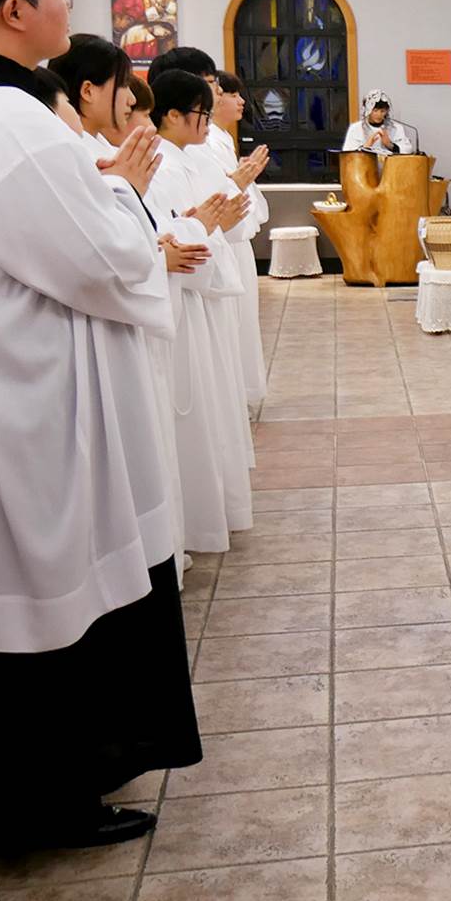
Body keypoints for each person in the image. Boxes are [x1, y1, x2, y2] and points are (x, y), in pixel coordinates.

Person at [0, 0, 198, 853]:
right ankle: (48, 800)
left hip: (22, 378)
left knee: (52, 593)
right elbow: (100, 256)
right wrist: (122, 195)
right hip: (33, 402)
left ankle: (59, 786)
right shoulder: (7, 119)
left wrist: (103, 188)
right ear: (15, 9)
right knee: (51, 597)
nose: (71, 1)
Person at [52, 35, 211, 574]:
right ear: (85, 92)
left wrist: (170, 235)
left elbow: (142, 230)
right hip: (110, 327)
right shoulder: (80, 156)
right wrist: (158, 241)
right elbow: (99, 251)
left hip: (147, 307)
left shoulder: (97, 153)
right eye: (123, 87)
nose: (130, 102)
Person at [146, 69, 253, 552]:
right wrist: (205, 228)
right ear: (171, 114)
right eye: (201, 112)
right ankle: (195, 526)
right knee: (193, 417)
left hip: (204, 293)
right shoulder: (164, 168)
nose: (207, 122)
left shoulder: (187, 159)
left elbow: (210, 223)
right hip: (186, 300)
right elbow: (175, 240)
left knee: (214, 410)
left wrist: (218, 220)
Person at [204, 69, 270, 411]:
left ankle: (242, 393)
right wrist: (237, 180)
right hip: (221, 240)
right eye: (231, 93)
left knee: (242, 320)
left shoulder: (220, 138)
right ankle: (236, 394)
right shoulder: (209, 141)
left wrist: (241, 178)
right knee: (233, 322)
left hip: (235, 238)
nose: (240, 101)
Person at [342, 90, 418, 154]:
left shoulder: (396, 128)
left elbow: (407, 149)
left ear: (387, 111)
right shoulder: (356, 128)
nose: (379, 114)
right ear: (367, 110)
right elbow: (347, 153)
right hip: (365, 166)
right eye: (375, 111)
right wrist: (365, 147)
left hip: (391, 166)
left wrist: (390, 145)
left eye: (382, 111)